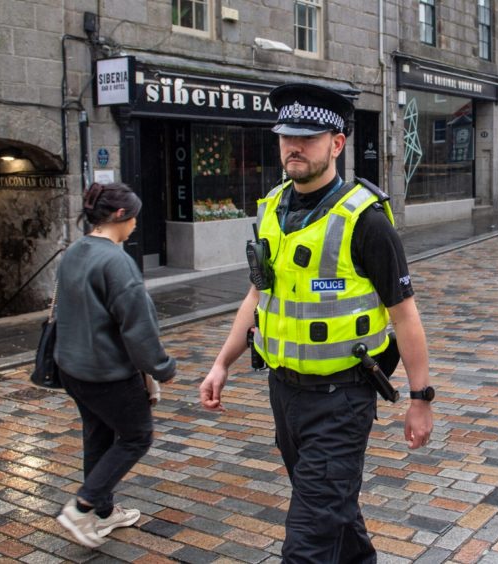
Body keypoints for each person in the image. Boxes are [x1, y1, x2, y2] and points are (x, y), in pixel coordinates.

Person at [199, 83, 434, 563]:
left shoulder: (365, 220)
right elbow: (258, 295)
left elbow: (405, 314)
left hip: (342, 400)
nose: (294, 146)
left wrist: (420, 398)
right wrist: (222, 362)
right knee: (334, 517)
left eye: (308, 136)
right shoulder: (271, 210)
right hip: (284, 394)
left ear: (337, 143)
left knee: (307, 543)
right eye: (287, 136)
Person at [55, 182, 177, 548]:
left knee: (98, 434)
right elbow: (138, 329)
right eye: (134, 217)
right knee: (137, 435)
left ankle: (104, 513)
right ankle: (82, 507)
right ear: (121, 216)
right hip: (107, 373)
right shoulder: (116, 261)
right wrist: (163, 368)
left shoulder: (75, 251)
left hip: (73, 369)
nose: (136, 225)